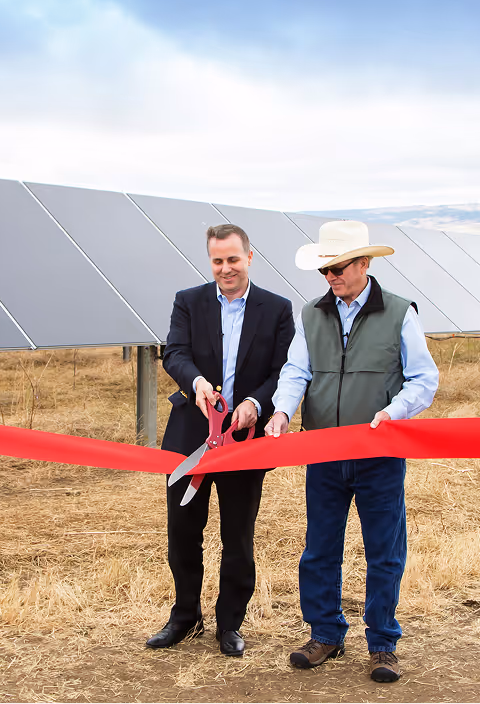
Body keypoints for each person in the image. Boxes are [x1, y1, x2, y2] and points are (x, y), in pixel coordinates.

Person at [264, 220, 439, 681]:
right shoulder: (311, 314)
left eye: (338, 267)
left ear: (365, 263)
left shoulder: (401, 313)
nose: (331, 276)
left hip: (380, 453)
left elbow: (424, 379)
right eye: (325, 270)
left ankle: (382, 643)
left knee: (384, 549)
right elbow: (296, 370)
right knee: (319, 548)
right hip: (323, 452)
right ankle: (325, 633)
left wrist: (393, 412)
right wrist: (282, 411)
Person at [146, 224, 294, 657]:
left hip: (246, 439)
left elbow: (283, 369)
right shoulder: (188, 302)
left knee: (238, 535)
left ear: (250, 257)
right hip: (190, 435)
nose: (225, 268)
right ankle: (184, 617)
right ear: (209, 260)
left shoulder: (277, 308)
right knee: (183, 532)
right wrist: (196, 383)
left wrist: (254, 402)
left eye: (232, 259)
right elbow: (174, 352)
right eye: (217, 260)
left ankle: (230, 623)